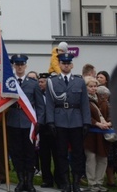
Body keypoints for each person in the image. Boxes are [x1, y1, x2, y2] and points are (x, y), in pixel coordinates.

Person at [45, 53, 91, 192]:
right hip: (59, 121)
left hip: (76, 121)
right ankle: (65, 182)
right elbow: (50, 104)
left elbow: (84, 103)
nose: (65, 65)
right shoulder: (52, 81)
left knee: (77, 153)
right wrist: (50, 122)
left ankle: (76, 182)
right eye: (63, 63)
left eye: (68, 63)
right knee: (61, 153)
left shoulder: (79, 81)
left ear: (71, 65)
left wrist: (86, 122)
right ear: (59, 64)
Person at [6, 54, 45, 192]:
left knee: (29, 153)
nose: (20, 67)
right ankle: (21, 180)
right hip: (13, 121)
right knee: (16, 153)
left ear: (26, 66)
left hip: (29, 123)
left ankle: (29, 182)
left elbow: (40, 105)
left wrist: (39, 121)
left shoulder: (33, 84)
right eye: (17, 64)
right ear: (14, 66)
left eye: (22, 64)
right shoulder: (9, 83)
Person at [84, 78, 111, 192]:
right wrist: (97, 124)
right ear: (85, 87)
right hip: (90, 135)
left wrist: (109, 122)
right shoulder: (83, 100)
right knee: (92, 158)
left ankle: (99, 183)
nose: (94, 88)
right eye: (91, 86)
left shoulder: (102, 99)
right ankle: (92, 183)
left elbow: (110, 114)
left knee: (103, 158)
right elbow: (84, 116)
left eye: (95, 86)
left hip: (102, 135)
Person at [37, 73, 59, 189]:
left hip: (54, 127)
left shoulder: (54, 94)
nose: (40, 84)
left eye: (43, 82)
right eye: (39, 82)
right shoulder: (38, 94)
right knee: (44, 156)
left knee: (57, 154)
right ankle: (47, 179)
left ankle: (59, 178)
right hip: (42, 128)